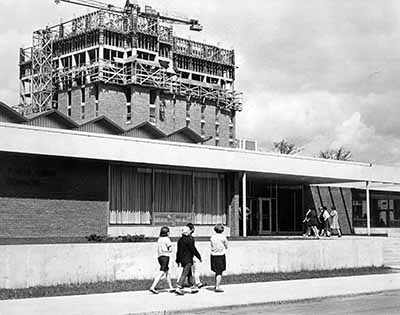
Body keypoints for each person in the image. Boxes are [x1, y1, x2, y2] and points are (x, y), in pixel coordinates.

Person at [175, 226, 202, 295]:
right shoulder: (189, 240)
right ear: (187, 232)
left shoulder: (180, 240)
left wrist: (177, 259)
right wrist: (199, 256)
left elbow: (178, 251)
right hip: (188, 259)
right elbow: (193, 249)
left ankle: (192, 287)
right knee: (185, 273)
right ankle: (178, 287)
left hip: (182, 259)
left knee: (189, 273)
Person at [149, 226, 175, 294]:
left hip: (160, 257)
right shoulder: (167, 239)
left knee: (167, 272)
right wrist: (169, 250)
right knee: (162, 272)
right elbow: (170, 248)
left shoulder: (159, 239)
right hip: (165, 256)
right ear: (167, 232)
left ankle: (171, 287)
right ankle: (153, 287)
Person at [185, 223, 206, 289]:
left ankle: (189, 282)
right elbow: (193, 249)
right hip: (191, 256)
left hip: (185, 256)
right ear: (191, 230)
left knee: (187, 270)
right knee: (195, 270)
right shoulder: (190, 238)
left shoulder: (183, 238)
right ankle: (198, 283)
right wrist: (198, 256)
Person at [210, 224, 228, 292]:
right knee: (219, 272)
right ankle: (217, 287)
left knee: (216, 271)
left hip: (213, 255)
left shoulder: (212, 237)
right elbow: (226, 246)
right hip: (220, 255)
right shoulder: (223, 237)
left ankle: (216, 285)